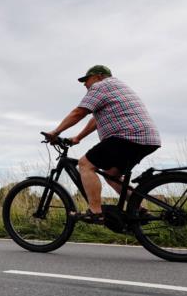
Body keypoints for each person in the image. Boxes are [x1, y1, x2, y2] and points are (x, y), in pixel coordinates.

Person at [44, 65, 161, 223]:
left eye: (87, 80)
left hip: (127, 136)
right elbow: (95, 120)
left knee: (85, 164)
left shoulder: (101, 86)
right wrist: (78, 137)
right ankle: (139, 210)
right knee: (112, 176)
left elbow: (79, 112)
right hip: (148, 138)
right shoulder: (119, 87)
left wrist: (55, 132)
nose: (85, 84)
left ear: (99, 76)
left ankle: (95, 212)